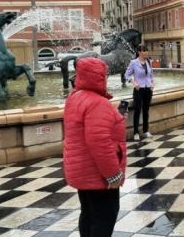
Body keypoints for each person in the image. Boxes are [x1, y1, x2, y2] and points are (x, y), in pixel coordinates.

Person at [63, 58, 127, 237]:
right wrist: (113, 175)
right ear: (99, 77)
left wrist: (117, 116)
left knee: (89, 214)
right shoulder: (98, 103)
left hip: (82, 171)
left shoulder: (75, 98)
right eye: (104, 75)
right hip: (98, 175)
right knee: (104, 218)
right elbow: (99, 143)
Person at [125, 45, 155, 140]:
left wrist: (153, 83)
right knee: (137, 110)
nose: (147, 53)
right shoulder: (134, 63)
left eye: (147, 51)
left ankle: (146, 131)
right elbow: (127, 75)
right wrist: (134, 83)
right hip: (138, 89)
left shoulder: (149, 62)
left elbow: (151, 75)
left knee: (146, 110)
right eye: (145, 51)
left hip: (148, 89)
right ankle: (136, 133)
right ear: (139, 52)